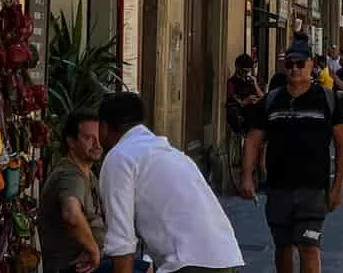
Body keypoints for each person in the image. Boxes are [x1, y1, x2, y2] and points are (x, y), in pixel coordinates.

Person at [97, 91, 243, 273]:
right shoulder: (168, 152)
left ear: (103, 127)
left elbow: (122, 243)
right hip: (226, 256)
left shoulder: (120, 157)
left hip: (189, 263)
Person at [241, 38, 343, 273]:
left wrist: (338, 186)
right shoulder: (272, 100)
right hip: (279, 188)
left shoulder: (328, 99)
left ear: (311, 65)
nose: (294, 69)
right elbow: (253, 139)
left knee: (309, 247)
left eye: (300, 64)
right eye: (290, 65)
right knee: (283, 247)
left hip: (313, 189)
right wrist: (247, 177)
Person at [38, 110, 106, 273]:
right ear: (71, 142)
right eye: (89, 138)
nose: (97, 144)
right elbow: (71, 214)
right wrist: (94, 251)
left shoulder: (87, 172)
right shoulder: (70, 175)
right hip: (75, 267)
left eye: (99, 137)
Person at [226, 54, 264, 134]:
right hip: (242, 115)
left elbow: (263, 98)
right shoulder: (232, 82)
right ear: (237, 67)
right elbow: (233, 100)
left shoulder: (250, 81)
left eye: (247, 71)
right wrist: (245, 102)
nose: (245, 74)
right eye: (243, 71)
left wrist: (255, 84)